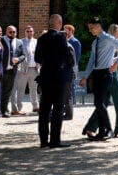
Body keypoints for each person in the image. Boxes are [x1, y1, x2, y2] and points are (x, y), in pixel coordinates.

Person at [79, 17, 118, 141]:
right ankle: (102, 132)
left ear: (98, 26)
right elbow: (91, 61)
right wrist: (85, 76)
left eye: (91, 27)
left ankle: (108, 129)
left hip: (106, 74)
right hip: (96, 74)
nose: (90, 30)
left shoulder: (108, 38)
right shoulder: (95, 42)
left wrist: (116, 64)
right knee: (100, 103)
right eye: (89, 28)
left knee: (99, 103)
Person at [34, 14, 73, 148]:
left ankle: (43, 141)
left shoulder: (41, 38)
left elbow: (37, 58)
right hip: (58, 78)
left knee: (44, 111)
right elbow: (67, 56)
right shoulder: (60, 37)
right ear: (59, 23)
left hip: (45, 77)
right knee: (57, 110)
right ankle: (55, 141)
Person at [13, 25, 39, 115]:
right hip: (23, 70)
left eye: (31, 31)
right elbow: (18, 55)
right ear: (25, 32)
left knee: (34, 89)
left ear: (33, 32)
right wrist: (20, 67)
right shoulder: (20, 42)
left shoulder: (37, 42)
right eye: (27, 31)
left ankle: (35, 107)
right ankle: (18, 108)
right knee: (21, 89)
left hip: (35, 69)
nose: (29, 33)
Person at [1, 25, 24, 118]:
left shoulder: (19, 42)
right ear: (6, 32)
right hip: (1, 70)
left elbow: (23, 55)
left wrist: (18, 59)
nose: (12, 34)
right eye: (10, 32)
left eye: (14, 32)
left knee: (7, 91)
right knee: (0, 90)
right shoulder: (1, 40)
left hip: (12, 70)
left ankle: (4, 110)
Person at [63, 24, 81, 120]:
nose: (65, 32)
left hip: (72, 67)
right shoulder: (65, 41)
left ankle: (71, 106)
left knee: (71, 86)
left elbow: (76, 56)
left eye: (66, 31)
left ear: (71, 31)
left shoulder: (75, 42)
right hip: (67, 67)